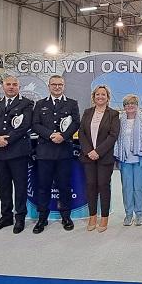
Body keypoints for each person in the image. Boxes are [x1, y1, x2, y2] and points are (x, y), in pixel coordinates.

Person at [31, 74, 80, 234]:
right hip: (45, 152)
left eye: (60, 84)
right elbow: (35, 124)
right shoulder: (40, 104)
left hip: (64, 151)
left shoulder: (72, 103)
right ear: (49, 86)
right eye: (54, 84)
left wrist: (63, 136)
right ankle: (42, 218)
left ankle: (66, 216)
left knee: (64, 186)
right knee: (43, 186)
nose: (57, 87)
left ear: (64, 86)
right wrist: (51, 135)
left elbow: (76, 123)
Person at [0, 76, 33, 234]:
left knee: (20, 186)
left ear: (19, 87)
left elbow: (25, 125)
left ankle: (20, 217)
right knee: (3, 186)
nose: (11, 87)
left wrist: (7, 139)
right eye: (8, 84)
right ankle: (6, 216)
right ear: (3, 86)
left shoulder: (27, 103)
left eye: (14, 84)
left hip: (18, 151)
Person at [79, 85, 120, 232]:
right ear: (93, 97)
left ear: (107, 98)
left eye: (103, 94)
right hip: (88, 156)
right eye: (97, 94)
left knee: (103, 186)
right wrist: (89, 151)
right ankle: (92, 216)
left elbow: (113, 135)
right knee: (91, 185)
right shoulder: (87, 112)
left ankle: (104, 218)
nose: (100, 97)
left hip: (104, 157)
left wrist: (98, 152)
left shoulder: (113, 114)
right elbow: (82, 133)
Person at [114, 94, 142, 226]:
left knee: (139, 188)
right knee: (127, 188)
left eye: (132, 103)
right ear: (124, 107)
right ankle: (128, 214)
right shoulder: (119, 120)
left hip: (139, 160)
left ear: (137, 105)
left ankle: (139, 214)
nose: (130, 106)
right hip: (124, 160)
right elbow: (116, 139)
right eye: (127, 104)